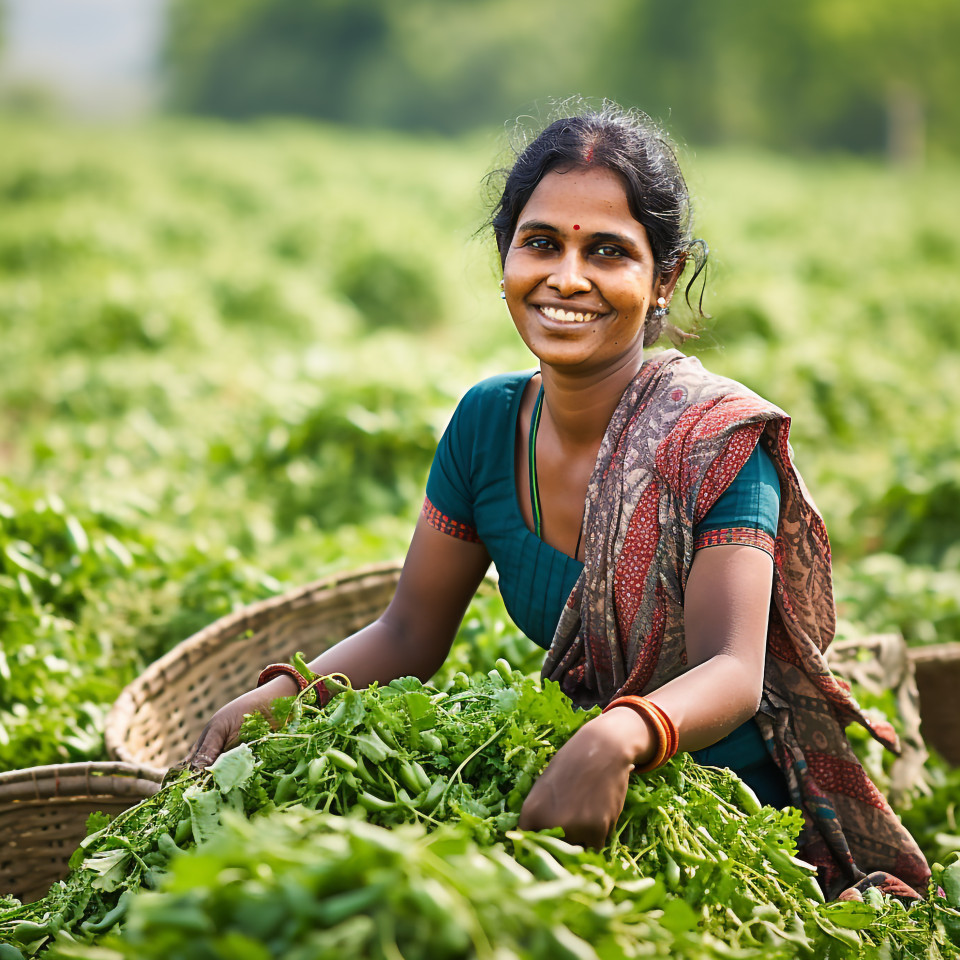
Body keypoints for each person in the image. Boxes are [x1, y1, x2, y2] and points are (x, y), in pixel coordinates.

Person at [184, 105, 930, 902]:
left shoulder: (712, 441)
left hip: (722, 827)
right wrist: (284, 697)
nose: (567, 277)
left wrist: (620, 735)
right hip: (560, 792)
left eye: (607, 251)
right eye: (542, 243)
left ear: (663, 279)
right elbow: (409, 630)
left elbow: (732, 668)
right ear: (505, 256)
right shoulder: (486, 425)